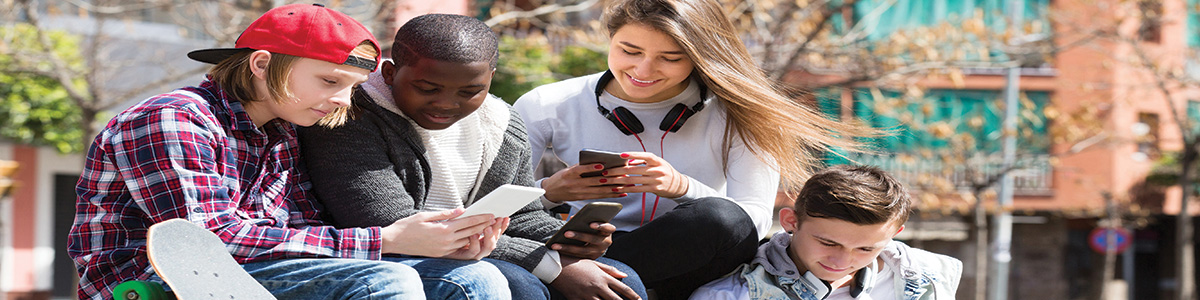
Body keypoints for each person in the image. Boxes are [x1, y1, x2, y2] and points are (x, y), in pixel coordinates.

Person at [68, 4, 509, 300]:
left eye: (353, 88)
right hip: (156, 283)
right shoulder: (174, 118)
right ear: (261, 65)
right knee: (384, 281)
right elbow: (205, 244)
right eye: (329, 81)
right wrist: (386, 241)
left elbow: (306, 228)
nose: (342, 101)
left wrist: (442, 245)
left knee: (474, 279)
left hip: (252, 273)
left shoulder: (286, 131)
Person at [513, 0, 876, 298]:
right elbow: (497, 204)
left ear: (699, 57)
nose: (643, 69)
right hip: (588, 246)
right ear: (609, 40)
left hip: (692, 256)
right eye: (629, 50)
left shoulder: (741, 111)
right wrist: (550, 192)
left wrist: (681, 188)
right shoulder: (547, 103)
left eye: (670, 58)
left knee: (721, 217)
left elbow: (752, 220)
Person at [297, 13, 647, 300]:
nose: (447, 103)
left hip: (479, 247)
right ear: (389, 73)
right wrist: (546, 262)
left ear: (490, 80)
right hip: (395, 255)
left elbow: (520, 214)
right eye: (427, 88)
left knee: (621, 279)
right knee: (520, 285)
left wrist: (565, 237)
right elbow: (387, 221)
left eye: (470, 91)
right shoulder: (348, 116)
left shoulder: (501, 122)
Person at [690, 165, 963, 299]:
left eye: (866, 249)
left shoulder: (929, 280)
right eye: (827, 243)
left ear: (895, 234)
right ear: (790, 222)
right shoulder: (730, 296)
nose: (842, 263)